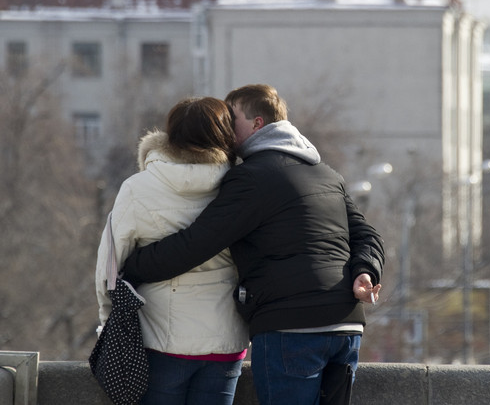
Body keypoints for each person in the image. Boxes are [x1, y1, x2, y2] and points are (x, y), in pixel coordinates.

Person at [123, 84, 384, 405]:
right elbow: (367, 235)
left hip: (291, 328)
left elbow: (195, 244)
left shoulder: (251, 178)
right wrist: (365, 270)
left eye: (232, 119)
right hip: (347, 326)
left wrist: (131, 266)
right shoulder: (325, 173)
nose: (225, 129)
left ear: (257, 124)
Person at [95, 97, 249, 405]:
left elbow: (110, 268)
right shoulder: (242, 188)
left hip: (158, 339)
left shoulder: (138, 188)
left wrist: (108, 323)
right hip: (225, 341)